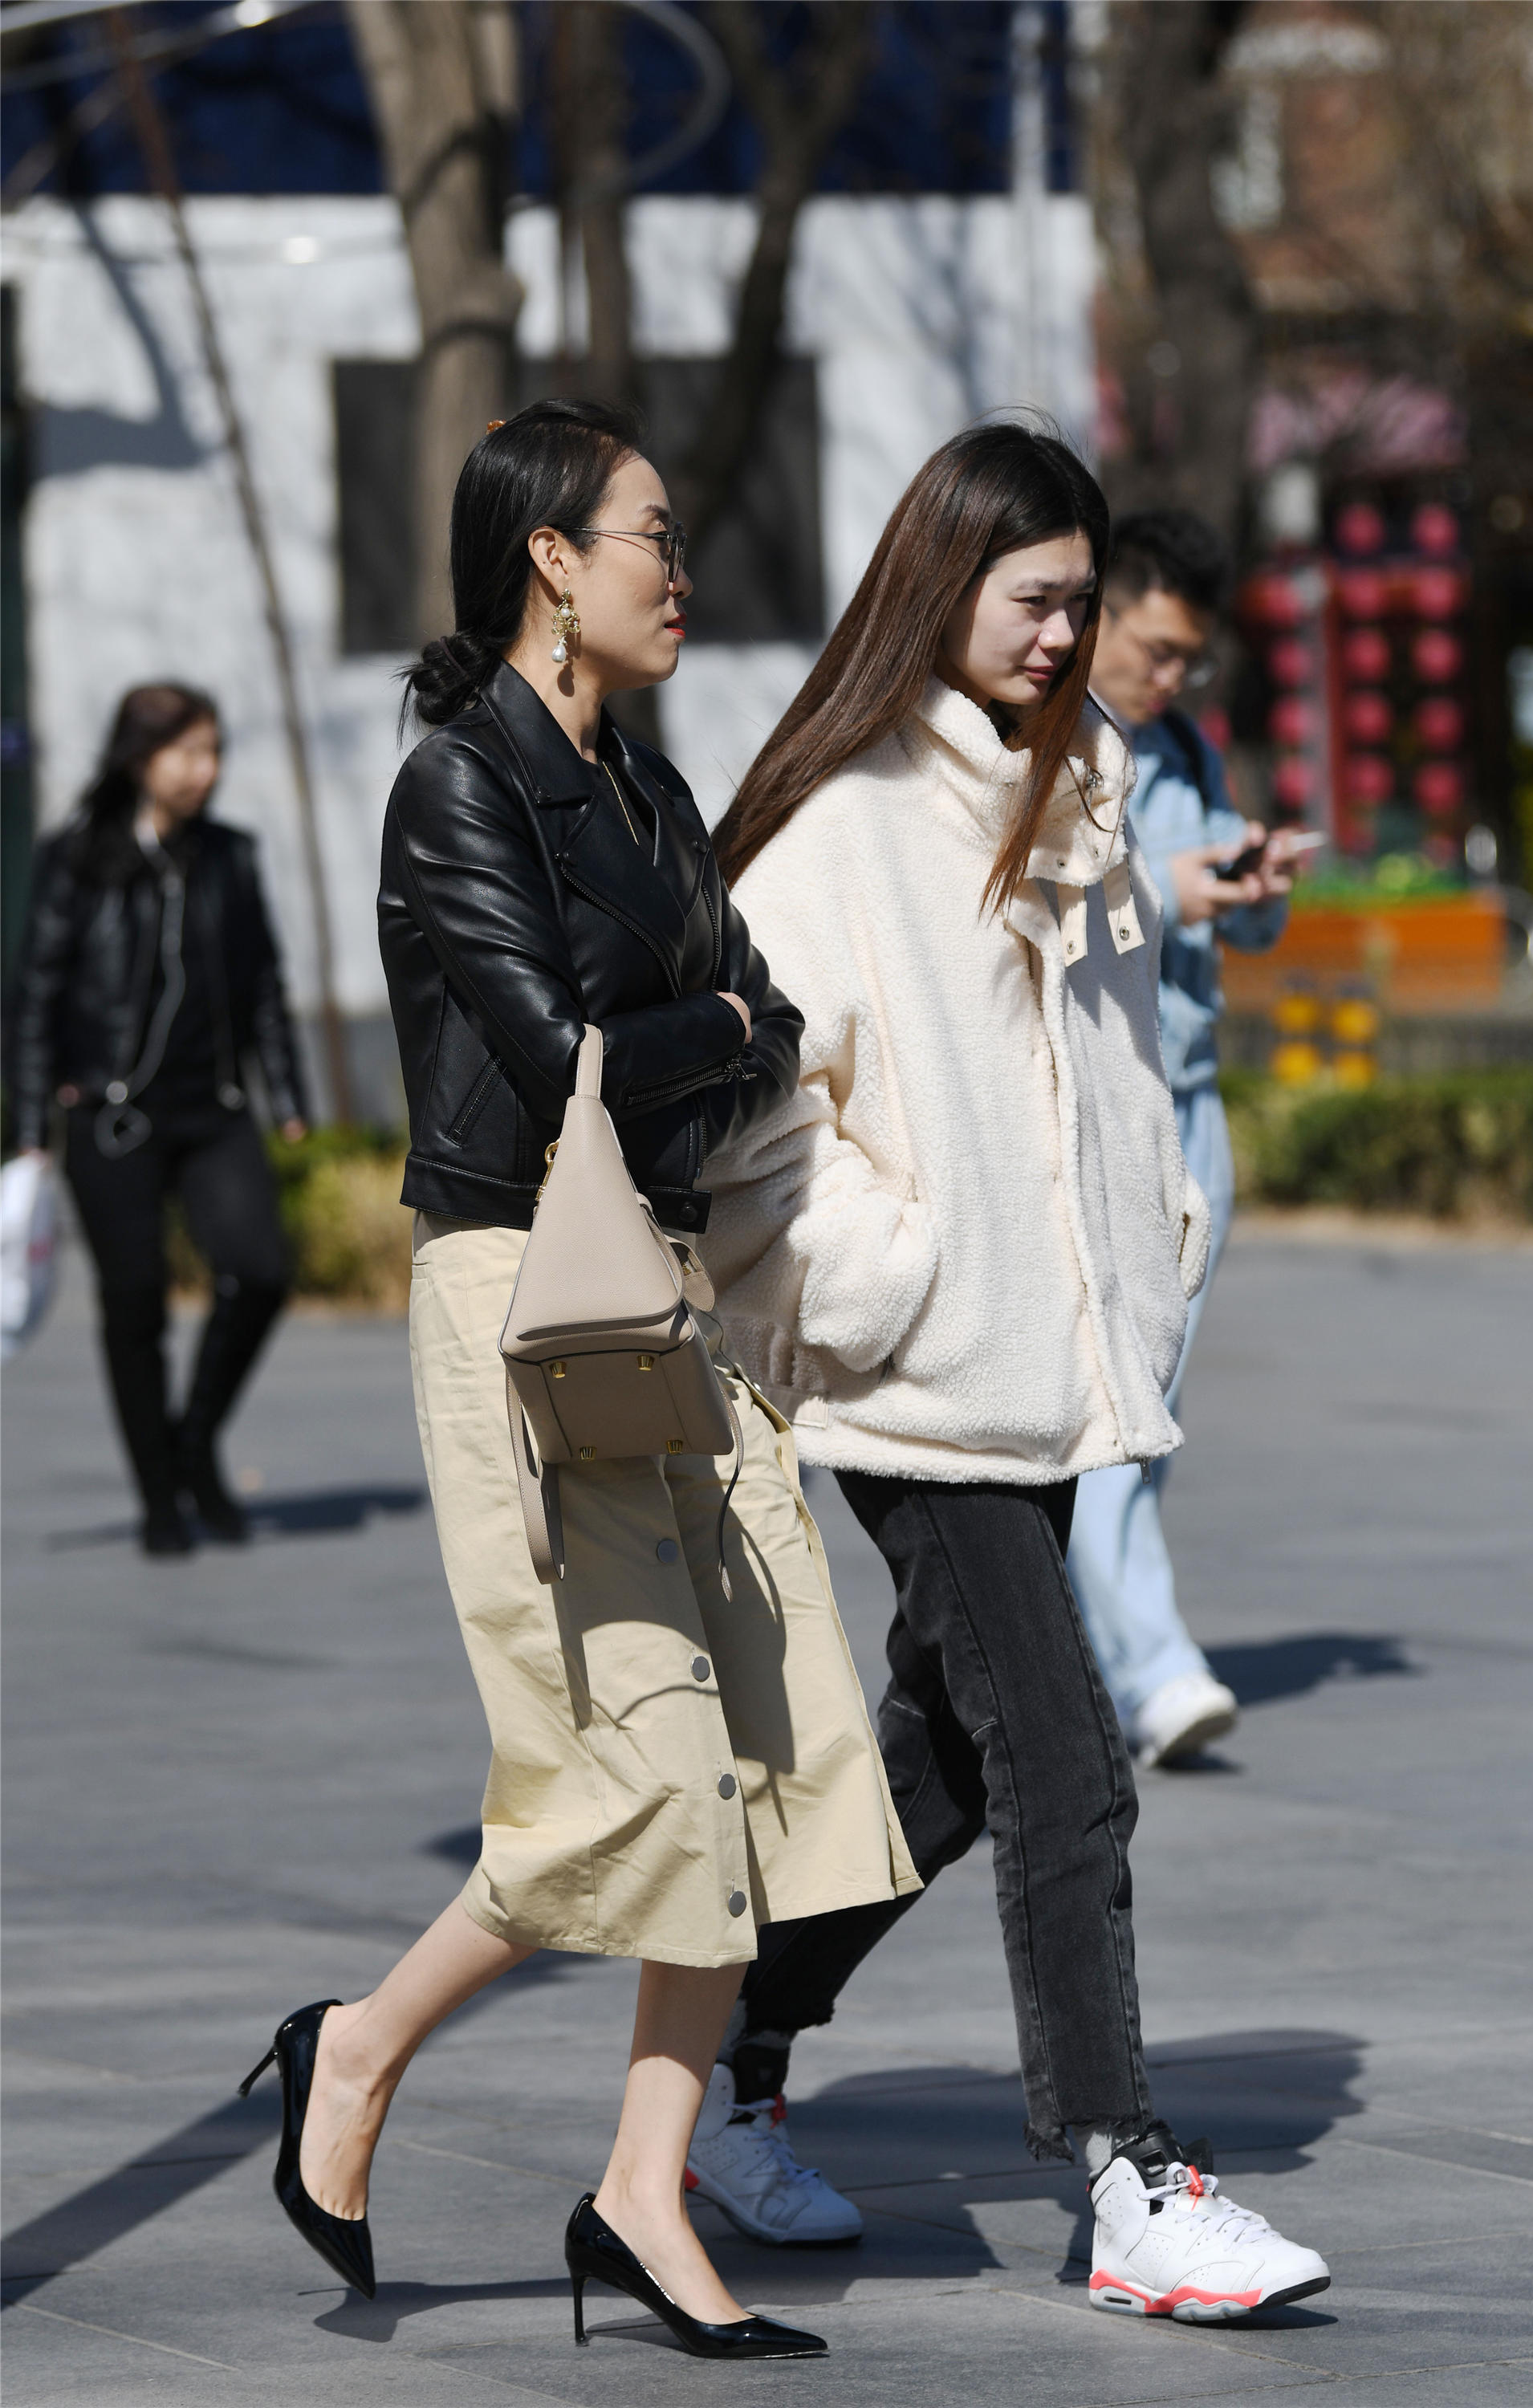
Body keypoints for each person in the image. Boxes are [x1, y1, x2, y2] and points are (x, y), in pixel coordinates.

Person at [240, 399, 917, 2363]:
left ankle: (639, 2185)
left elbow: (758, 1026)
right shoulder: (460, 784)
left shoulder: (649, 792)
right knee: (621, 1768)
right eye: (650, 531)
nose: (677, 564)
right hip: (525, 1306)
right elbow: (561, 1060)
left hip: (674, 1299)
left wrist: (696, 1023)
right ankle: (355, 2046)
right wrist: (699, 1020)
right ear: (550, 554)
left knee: (780, 1752)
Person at [694, 423, 1329, 2323]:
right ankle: (1125, 2178)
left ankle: (718, 2054)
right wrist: (877, 1271)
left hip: (1048, 1358)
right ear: (941, 581)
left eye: (1078, 601)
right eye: (1035, 601)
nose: (1061, 637)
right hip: (919, 1375)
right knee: (1064, 1753)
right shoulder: (839, 820)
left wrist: (1145, 1235)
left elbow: (1100, 1065)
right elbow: (751, 1124)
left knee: (948, 1759)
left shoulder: (1087, 782)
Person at [1067, 510, 1305, 1767]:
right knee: (1110, 1400)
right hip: (1102, 1106)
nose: (1170, 678)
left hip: (1193, 1105)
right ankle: (1154, 1669)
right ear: (1099, 613)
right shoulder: (1048, 740)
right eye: (1155, 650)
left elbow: (1228, 933)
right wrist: (1173, 884)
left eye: (1187, 660)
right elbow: (1047, 902)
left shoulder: (1188, 748)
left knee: (1149, 1403)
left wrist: (1252, 886)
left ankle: (1083, 1659)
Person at [7, 685, 308, 1556]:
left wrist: (285, 1099)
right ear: (142, 759)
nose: (205, 770)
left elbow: (263, 988)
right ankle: (159, 1498)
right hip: (110, 1118)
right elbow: (34, 996)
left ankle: (195, 1438)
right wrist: (31, 1121)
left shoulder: (230, 858)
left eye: (213, 751)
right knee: (133, 1302)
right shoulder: (77, 859)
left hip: (212, 1109)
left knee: (260, 1270)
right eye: (189, 752)